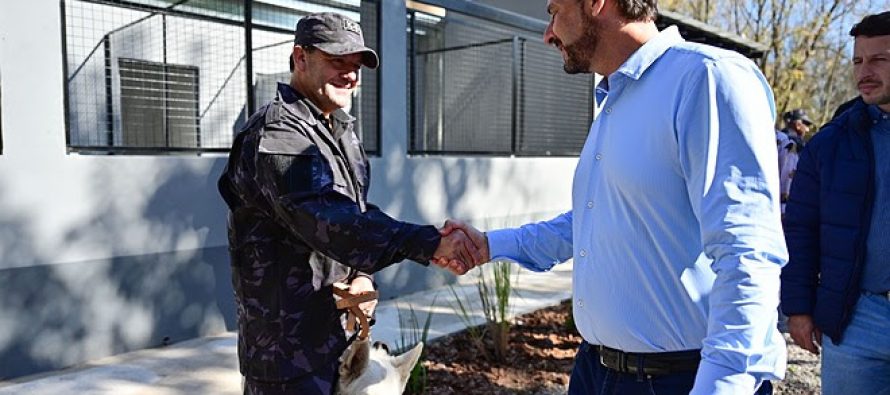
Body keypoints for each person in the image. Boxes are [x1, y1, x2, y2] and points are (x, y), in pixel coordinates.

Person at [438, 0, 788, 393]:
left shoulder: (707, 78)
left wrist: (723, 384)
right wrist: (490, 246)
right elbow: (590, 220)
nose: (548, 33)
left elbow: (748, 251)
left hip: (679, 380)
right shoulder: (614, 99)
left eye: (554, 11)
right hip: (595, 371)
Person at [217, 12, 478, 395]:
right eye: (337, 61)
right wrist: (430, 242)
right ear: (300, 58)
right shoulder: (278, 136)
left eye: (356, 65)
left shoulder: (339, 131)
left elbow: (354, 216)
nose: (351, 75)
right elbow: (331, 223)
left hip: (335, 346)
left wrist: (362, 275)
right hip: (287, 360)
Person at [780, 11, 890, 395]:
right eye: (858, 60)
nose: (865, 71)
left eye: (880, 59)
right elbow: (802, 229)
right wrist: (798, 308)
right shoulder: (831, 143)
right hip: (859, 319)